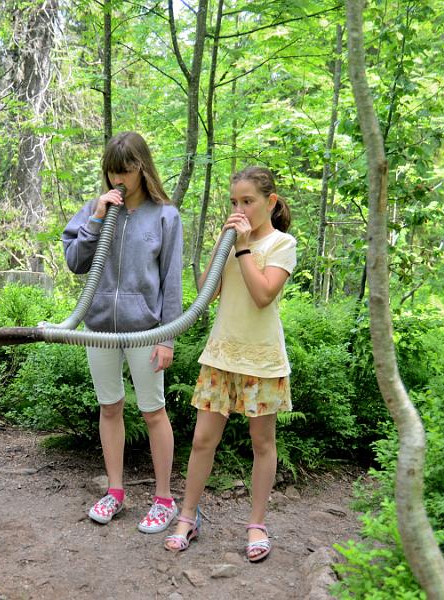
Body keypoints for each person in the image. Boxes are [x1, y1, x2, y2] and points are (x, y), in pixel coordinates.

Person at [164, 166, 296, 561]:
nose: (240, 208)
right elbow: (207, 291)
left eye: (248, 201)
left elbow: (263, 295)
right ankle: (187, 517)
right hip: (221, 355)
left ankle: (256, 524)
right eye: (234, 202)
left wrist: (242, 248)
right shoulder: (230, 241)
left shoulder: (281, 243)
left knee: (262, 443)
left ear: (269, 203)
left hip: (262, 359)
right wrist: (224, 245)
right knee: (203, 440)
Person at [62, 131, 183, 534]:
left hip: (146, 330)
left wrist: (167, 338)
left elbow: (171, 282)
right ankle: (115, 491)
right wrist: (97, 217)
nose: (119, 179)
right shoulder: (93, 209)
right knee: (109, 407)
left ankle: (164, 499)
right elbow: (76, 262)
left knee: (153, 411)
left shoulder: (165, 215)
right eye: (112, 171)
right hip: (99, 328)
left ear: (142, 169)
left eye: (126, 171)